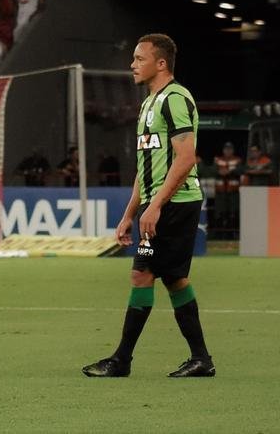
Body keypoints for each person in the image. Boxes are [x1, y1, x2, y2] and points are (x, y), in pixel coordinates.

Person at [84, 34, 214, 379]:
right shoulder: (148, 104)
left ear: (161, 64)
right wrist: (130, 212)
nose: (132, 64)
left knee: (141, 274)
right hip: (161, 203)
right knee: (173, 278)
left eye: (140, 58)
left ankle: (121, 360)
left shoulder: (175, 99)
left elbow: (186, 158)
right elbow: (147, 168)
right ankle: (201, 358)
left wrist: (155, 207)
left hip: (175, 203)